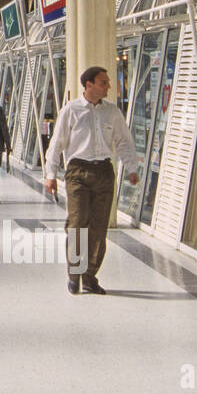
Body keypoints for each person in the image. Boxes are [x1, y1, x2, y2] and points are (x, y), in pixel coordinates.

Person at [44, 66, 140, 296]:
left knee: (98, 228)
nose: (108, 86)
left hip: (104, 172)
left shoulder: (112, 112)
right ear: (88, 85)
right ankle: (74, 275)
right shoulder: (71, 110)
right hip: (78, 171)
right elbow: (56, 144)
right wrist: (50, 175)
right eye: (103, 82)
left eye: (107, 82)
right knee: (77, 225)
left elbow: (124, 142)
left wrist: (132, 168)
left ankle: (90, 276)